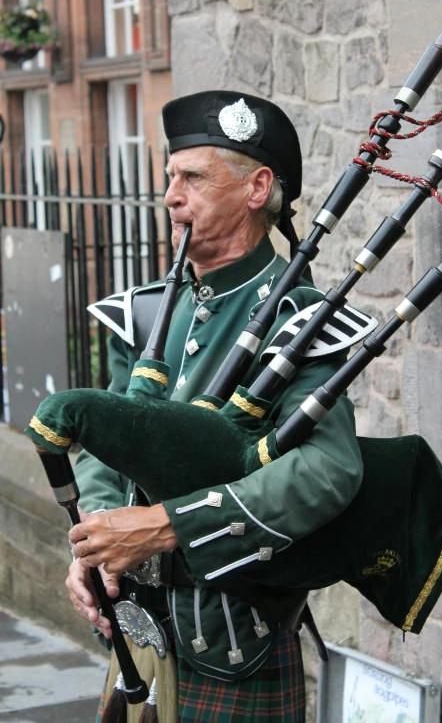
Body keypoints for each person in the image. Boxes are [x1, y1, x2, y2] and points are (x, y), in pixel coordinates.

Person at [66, 91, 363, 722]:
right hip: (136, 634)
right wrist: (95, 545)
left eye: (193, 177)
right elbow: (103, 446)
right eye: (170, 177)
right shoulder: (145, 313)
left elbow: (328, 469)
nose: (171, 195)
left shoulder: (301, 319)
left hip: (235, 641)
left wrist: (171, 525)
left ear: (258, 188)